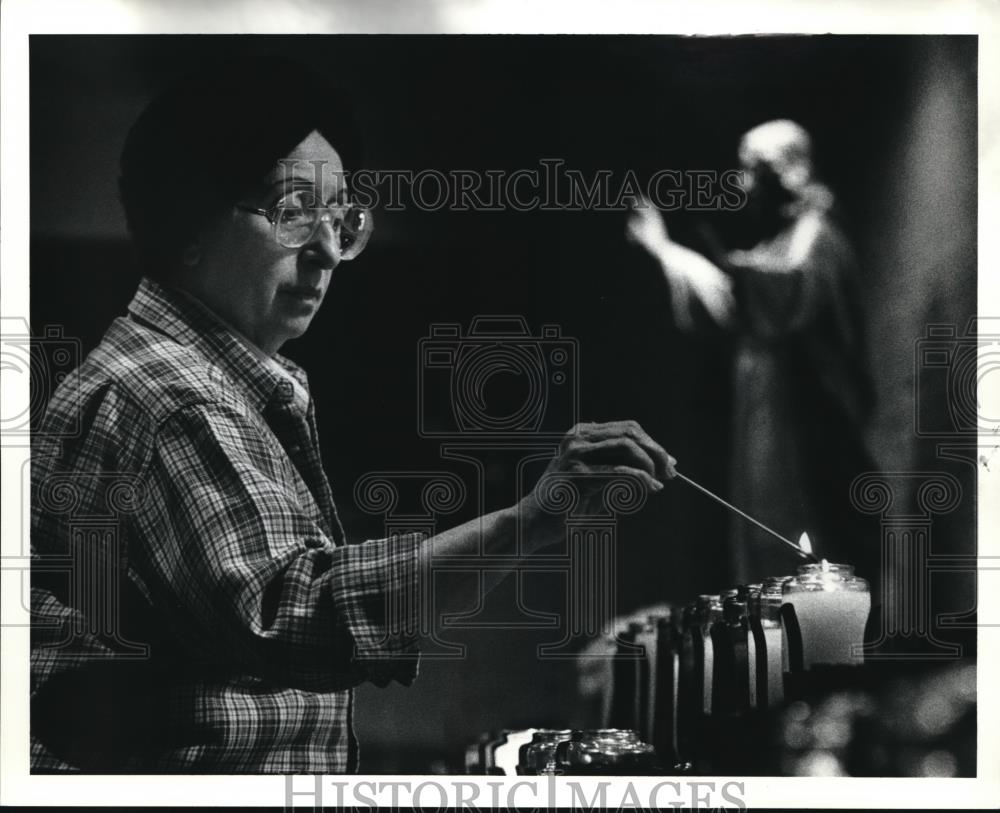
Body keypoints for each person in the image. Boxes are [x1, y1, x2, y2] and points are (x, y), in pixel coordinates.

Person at [29, 58, 677, 773]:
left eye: (341, 218)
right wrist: (528, 520)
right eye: (292, 211)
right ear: (189, 219)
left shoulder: (198, 380)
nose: (329, 250)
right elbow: (292, 614)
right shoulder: (172, 395)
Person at [627, 119, 876, 585]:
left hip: (804, 413)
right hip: (770, 410)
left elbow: (782, 294)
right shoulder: (781, 242)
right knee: (770, 518)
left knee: (814, 523)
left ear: (787, 170)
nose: (744, 185)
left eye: (754, 171)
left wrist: (732, 268)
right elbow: (729, 300)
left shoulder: (817, 234)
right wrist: (667, 252)